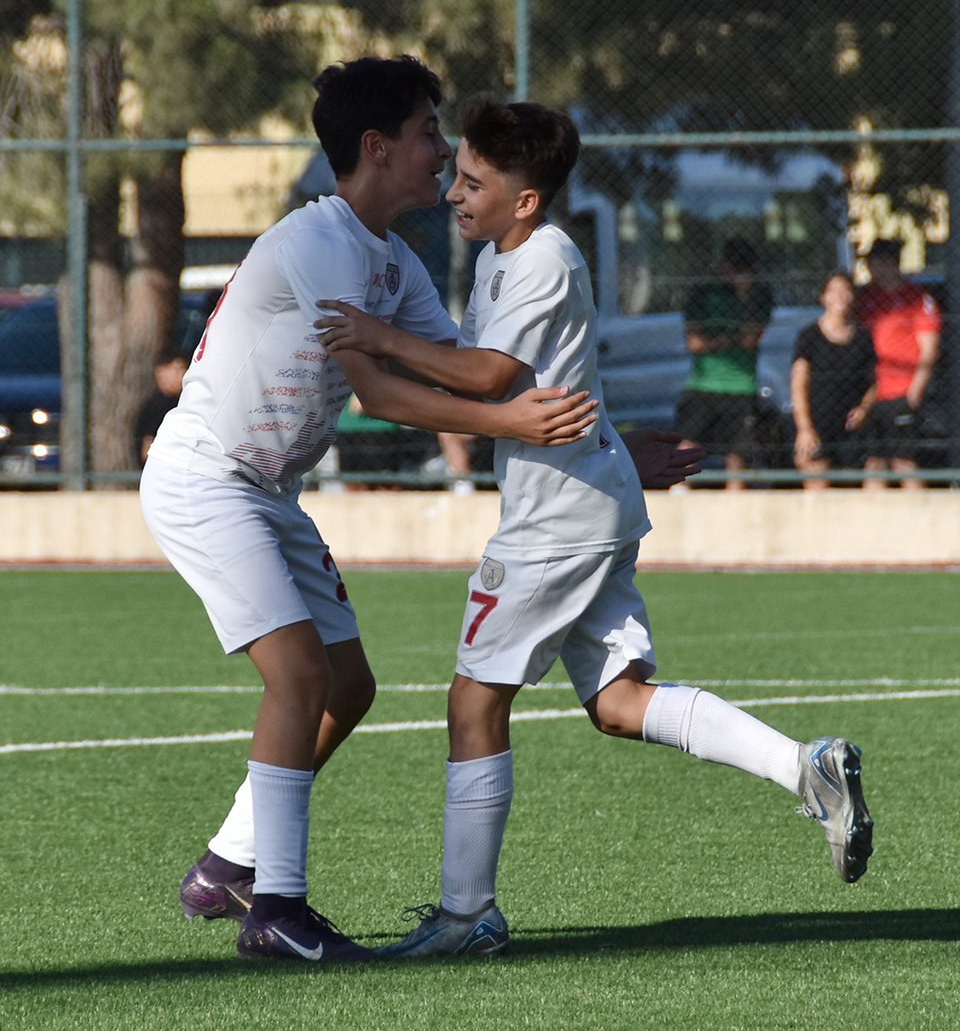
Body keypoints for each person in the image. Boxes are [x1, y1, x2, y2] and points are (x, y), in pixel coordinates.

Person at [316, 97, 874, 960]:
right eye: (455, 175)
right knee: (619, 703)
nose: (455, 193)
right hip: (588, 497)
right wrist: (617, 443)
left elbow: (491, 375)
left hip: (554, 521)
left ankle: (466, 917)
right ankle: (808, 769)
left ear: (525, 199)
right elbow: (554, 377)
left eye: (472, 181)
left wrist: (372, 337)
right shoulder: (505, 255)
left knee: (472, 701)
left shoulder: (540, 259)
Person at [138, 57, 599, 965]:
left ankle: (228, 863)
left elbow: (468, 366)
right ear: (378, 147)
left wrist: (609, 436)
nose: (444, 153)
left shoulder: (390, 258)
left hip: (268, 493)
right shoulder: (319, 244)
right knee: (299, 677)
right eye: (431, 133)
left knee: (349, 688)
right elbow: (381, 393)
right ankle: (278, 911)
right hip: (207, 481)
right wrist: (504, 420)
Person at [676, 236, 774, 489]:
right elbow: (695, 343)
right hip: (703, 385)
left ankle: (735, 510)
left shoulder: (759, 294)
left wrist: (744, 296)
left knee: (737, 457)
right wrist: (728, 338)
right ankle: (679, 495)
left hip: (741, 387)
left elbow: (751, 338)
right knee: (688, 446)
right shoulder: (703, 292)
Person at [854, 238, 941, 489]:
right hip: (872, 392)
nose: (872, 268)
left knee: (904, 461)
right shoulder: (866, 298)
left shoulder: (917, 299)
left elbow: (929, 349)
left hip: (901, 390)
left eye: (877, 262)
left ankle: (918, 519)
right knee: (874, 462)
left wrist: (915, 390)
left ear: (891, 263)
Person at [790, 272, 876, 489]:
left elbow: (874, 382)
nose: (840, 296)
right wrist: (805, 429)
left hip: (851, 430)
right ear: (824, 297)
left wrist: (864, 409)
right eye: (834, 290)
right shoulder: (809, 336)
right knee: (817, 487)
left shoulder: (864, 337)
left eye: (846, 290)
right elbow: (798, 385)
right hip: (817, 424)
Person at [132, 350, 188, 466]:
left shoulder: (183, 403)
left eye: (184, 368)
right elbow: (147, 453)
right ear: (160, 372)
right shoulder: (154, 409)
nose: (182, 374)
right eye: (176, 369)